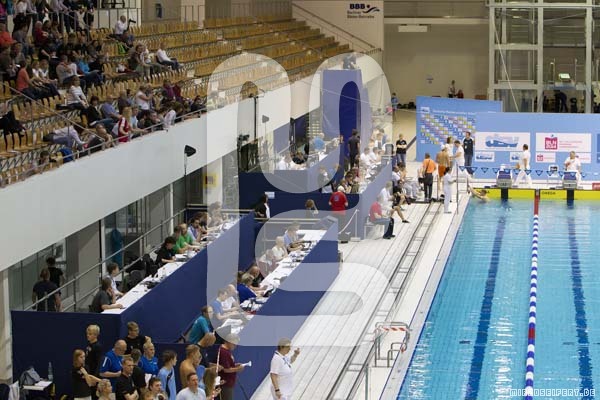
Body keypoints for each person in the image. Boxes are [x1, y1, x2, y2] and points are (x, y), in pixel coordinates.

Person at [217, 335, 245, 400]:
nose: (235, 346)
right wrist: (238, 369)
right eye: (234, 344)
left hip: (228, 382)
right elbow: (226, 369)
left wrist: (234, 365)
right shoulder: (224, 352)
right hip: (225, 384)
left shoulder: (227, 351)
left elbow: (227, 365)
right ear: (229, 341)